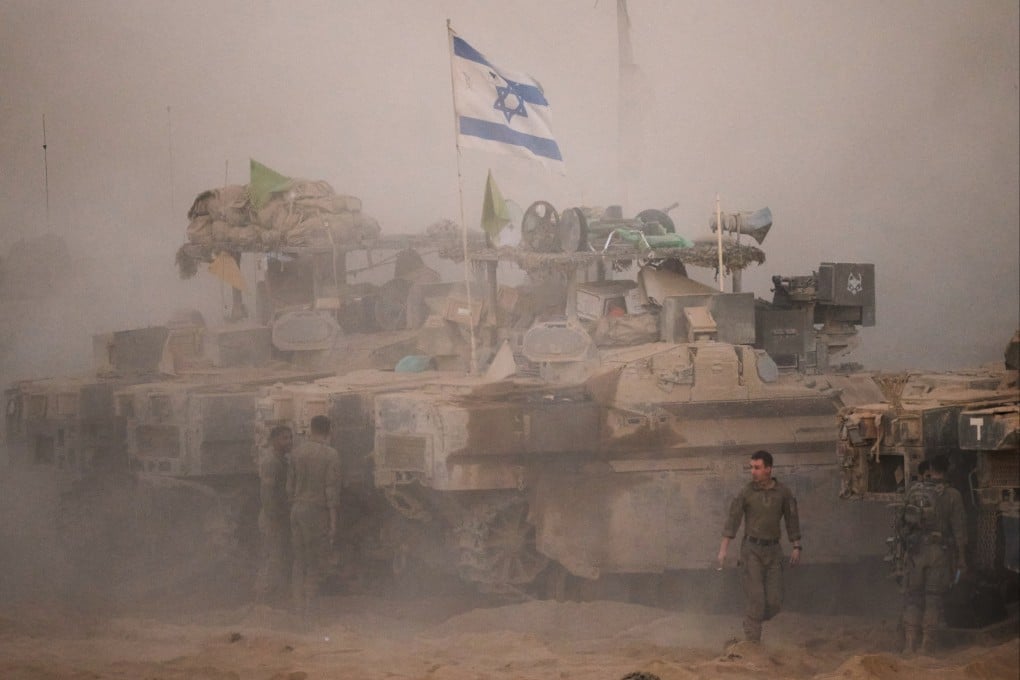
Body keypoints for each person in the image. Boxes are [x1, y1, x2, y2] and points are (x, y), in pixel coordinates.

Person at [717, 450, 802, 643]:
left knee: (774, 601)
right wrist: (723, 550)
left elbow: (792, 520)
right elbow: (733, 520)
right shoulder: (747, 492)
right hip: (751, 551)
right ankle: (752, 642)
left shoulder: (783, 492)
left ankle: (752, 619)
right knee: (756, 598)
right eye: (751, 467)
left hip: (773, 551)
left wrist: (796, 546)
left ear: (768, 469)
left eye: (757, 467)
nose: (753, 472)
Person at [897, 454, 967, 654]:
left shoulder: (913, 491)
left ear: (930, 468)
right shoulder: (952, 495)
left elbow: (901, 523)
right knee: (933, 599)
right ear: (947, 470)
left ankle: (910, 643)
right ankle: (927, 645)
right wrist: (962, 559)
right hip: (938, 553)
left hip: (915, 553)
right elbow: (960, 530)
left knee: (913, 598)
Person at [287, 415, 341, 616]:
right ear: (329, 431)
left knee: (298, 560)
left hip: (297, 509)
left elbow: (289, 488)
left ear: (311, 429)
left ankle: (297, 606)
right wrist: (333, 521)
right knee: (314, 561)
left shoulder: (296, 453)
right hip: (316, 512)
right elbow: (331, 491)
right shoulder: (331, 454)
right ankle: (309, 610)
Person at [256, 424, 294, 604]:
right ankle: (263, 598)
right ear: (273, 440)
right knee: (272, 558)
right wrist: (274, 518)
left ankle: (275, 597)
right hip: (272, 519)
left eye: (290, 437)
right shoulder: (271, 462)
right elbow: (267, 494)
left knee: (279, 557)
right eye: (284, 438)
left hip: (279, 517)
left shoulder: (281, 460)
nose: (289, 441)